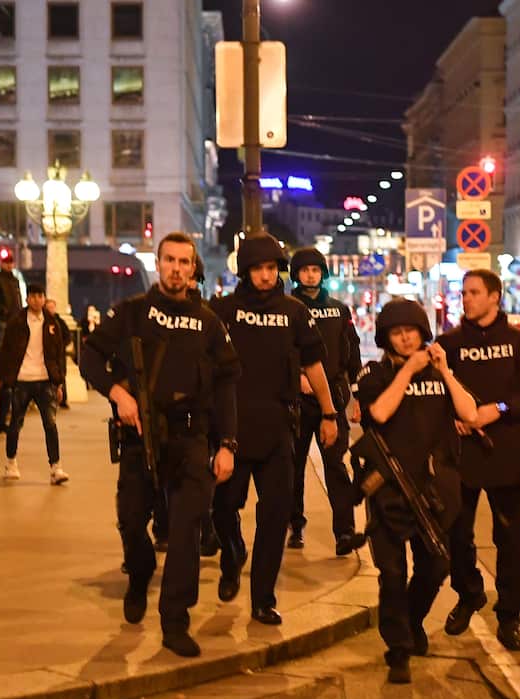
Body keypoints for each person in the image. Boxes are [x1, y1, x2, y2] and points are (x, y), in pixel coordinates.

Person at [80, 231, 240, 658]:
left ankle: (175, 620)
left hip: (191, 439)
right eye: (168, 260)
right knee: (132, 520)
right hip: (140, 436)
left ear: (193, 269)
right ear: (158, 263)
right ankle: (140, 571)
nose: (176, 268)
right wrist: (118, 394)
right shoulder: (132, 313)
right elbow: (90, 356)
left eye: (184, 262)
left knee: (187, 529)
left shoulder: (208, 323)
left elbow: (226, 386)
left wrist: (227, 444)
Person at [211, 234, 339, 626]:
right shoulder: (223, 310)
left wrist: (330, 413)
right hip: (232, 428)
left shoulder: (294, 311)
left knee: (275, 516)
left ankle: (263, 598)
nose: (266, 276)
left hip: (279, 427)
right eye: (258, 269)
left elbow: (315, 363)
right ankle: (232, 554)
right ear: (245, 271)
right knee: (222, 509)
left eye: (271, 269)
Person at [356, 298, 479, 683]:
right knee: (391, 573)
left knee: (436, 565)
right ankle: (398, 650)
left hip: (434, 492)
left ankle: (411, 622)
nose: (406, 338)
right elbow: (378, 413)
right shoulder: (375, 374)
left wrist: (445, 372)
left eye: (411, 330)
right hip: (390, 490)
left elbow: (470, 412)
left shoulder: (440, 374)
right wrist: (408, 370)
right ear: (386, 338)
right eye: (397, 332)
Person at [437, 269, 520, 651]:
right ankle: (469, 593)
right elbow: (432, 394)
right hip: (460, 456)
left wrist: (499, 409)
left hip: (504, 452)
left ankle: (509, 616)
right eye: (464, 292)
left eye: (474, 292)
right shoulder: (449, 344)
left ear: (494, 297)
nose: (466, 298)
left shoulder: (519, 344)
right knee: (456, 534)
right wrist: (450, 420)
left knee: (508, 539)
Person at [287, 246, 365, 556]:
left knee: (336, 465)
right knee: (292, 468)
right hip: (297, 399)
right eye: (305, 270)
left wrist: (357, 394)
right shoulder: (288, 307)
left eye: (316, 270)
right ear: (296, 274)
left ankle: (344, 532)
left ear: (323, 273)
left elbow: (353, 350)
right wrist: (297, 378)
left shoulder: (339, 310)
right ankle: (295, 524)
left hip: (332, 395)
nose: (310, 274)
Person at [0, 283, 68, 484]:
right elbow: (7, 351)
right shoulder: (17, 321)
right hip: (22, 380)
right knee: (15, 423)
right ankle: (11, 462)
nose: (37, 299)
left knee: (51, 424)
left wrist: (59, 383)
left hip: (45, 380)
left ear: (44, 298)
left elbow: (58, 354)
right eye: (33, 296)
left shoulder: (52, 322)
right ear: (27, 299)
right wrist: (0, 377)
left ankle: (56, 468)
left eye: (40, 296)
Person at [46, 297, 73, 409]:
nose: (51, 309)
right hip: (47, 354)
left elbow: (68, 336)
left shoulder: (59, 321)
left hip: (59, 355)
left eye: (52, 307)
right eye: (49, 307)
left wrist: (61, 346)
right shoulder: (43, 321)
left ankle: (63, 400)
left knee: (61, 376)